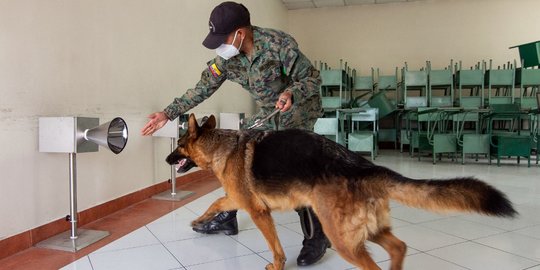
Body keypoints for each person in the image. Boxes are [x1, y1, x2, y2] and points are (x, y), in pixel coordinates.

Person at [141, 1, 330, 266]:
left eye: (223, 38)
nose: (220, 46)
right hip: (267, 111)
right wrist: (167, 113)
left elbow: (312, 78)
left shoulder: (279, 43)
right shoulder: (227, 59)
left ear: (241, 33)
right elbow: (202, 88)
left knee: (293, 171)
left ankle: (316, 237)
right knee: (235, 154)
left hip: (298, 110)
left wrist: (291, 93)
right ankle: (227, 218)